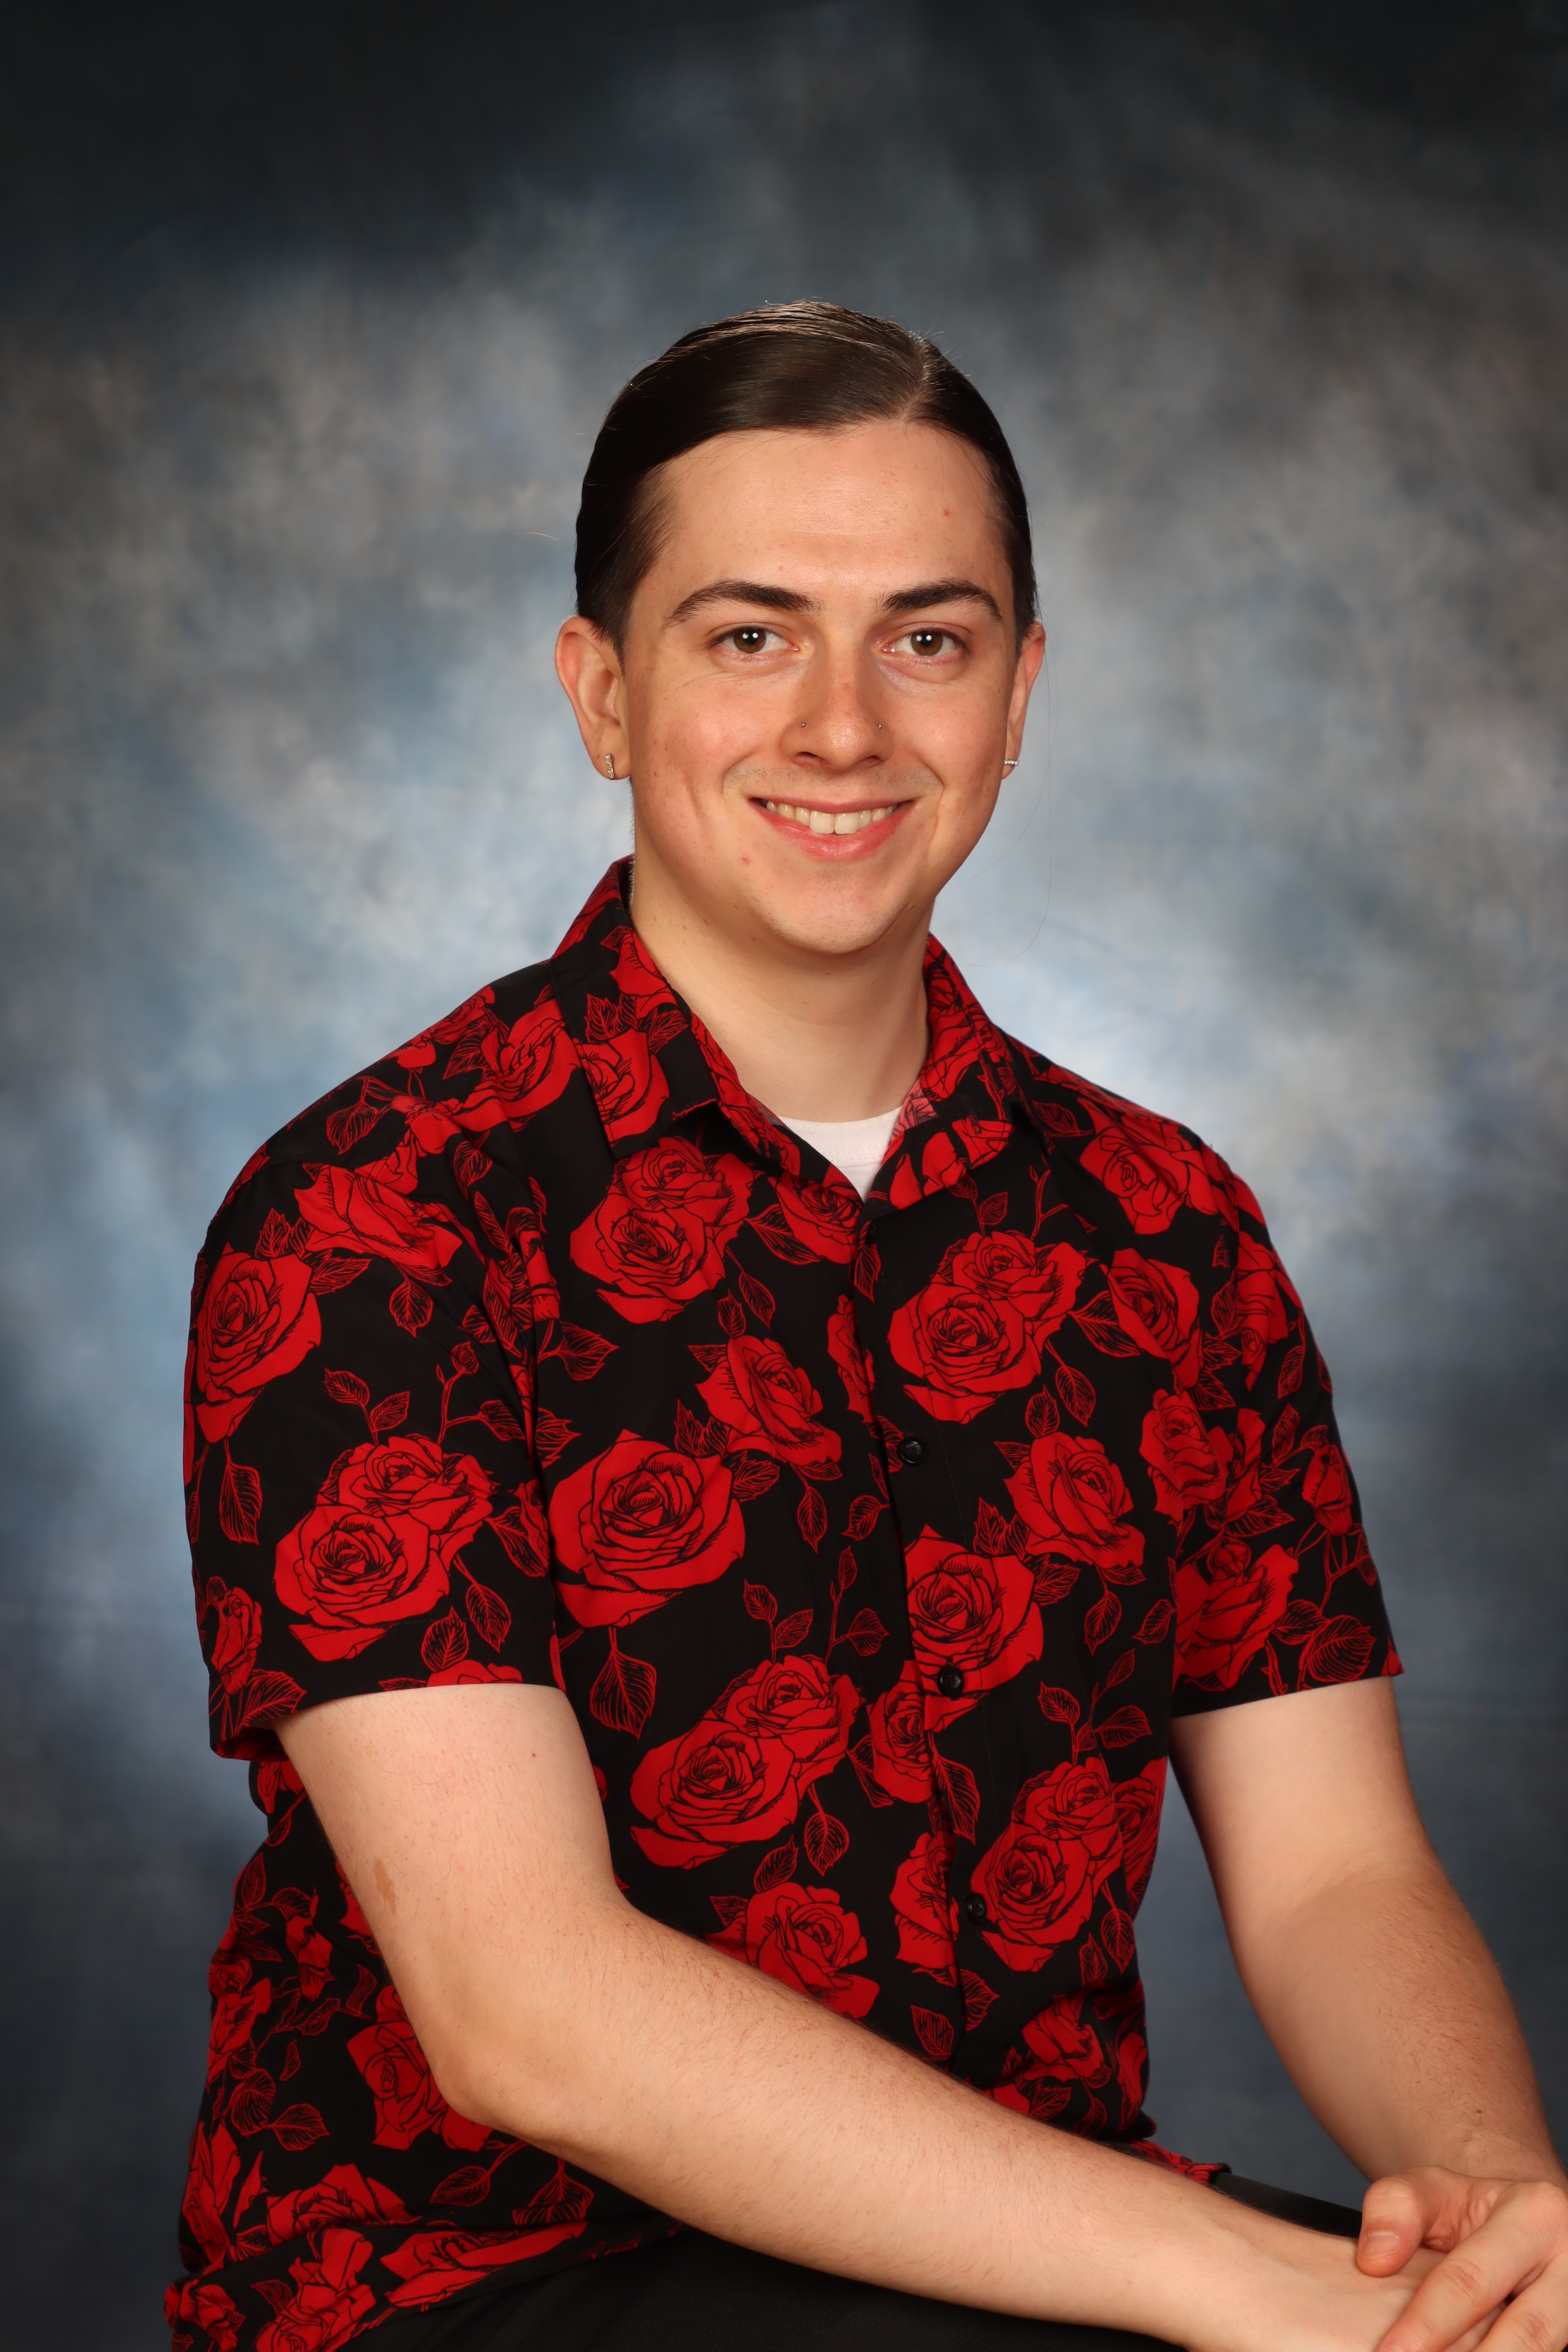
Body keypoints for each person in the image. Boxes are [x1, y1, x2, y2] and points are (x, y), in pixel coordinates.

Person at [170, 303, 1566, 2352]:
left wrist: (1492, 2200)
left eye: (926, 637)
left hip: (1056, 2250)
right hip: (485, 2278)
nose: (844, 726)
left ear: (1017, 696)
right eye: (750, 636)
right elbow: (528, 2015)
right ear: (603, 694)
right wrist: (1227, 2285)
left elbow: (1332, 1876)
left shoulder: (1168, 1231)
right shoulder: (373, 1213)